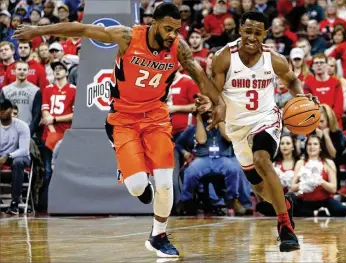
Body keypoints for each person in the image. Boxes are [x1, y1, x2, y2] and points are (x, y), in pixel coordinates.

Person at [13, 3, 225, 258]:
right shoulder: (127, 36)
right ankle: (130, 166)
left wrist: (219, 102)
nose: (172, 34)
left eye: (176, 29)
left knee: (165, 183)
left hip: (157, 116)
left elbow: (200, 76)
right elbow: (82, 29)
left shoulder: (179, 47)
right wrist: (38, 30)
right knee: (137, 188)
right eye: (168, 29)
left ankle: (158, 235)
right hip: (123, 117)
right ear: (154, 24)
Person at [196, 11, 318, 252]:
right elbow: (215, 91)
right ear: (240, 30)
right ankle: (284, 205)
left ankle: (285, 227)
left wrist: (302, 97)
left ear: (265, 34)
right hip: (236, 127)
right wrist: (212, 105)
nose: (252, 37)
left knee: (263, 160)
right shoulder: (224, 57)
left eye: (257, 33)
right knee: (259, 188)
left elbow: (292, 81)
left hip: (266, 119)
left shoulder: (273, 59)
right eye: (247, 31)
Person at [291, 134, 346, 217]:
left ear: (320, 148)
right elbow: (292, 187)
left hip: (324, 200)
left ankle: (319, 211)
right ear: (306, 147)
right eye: (309, 144)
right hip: (305, 201)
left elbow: (333, 188)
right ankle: (316, 213)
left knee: (342, 210)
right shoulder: (300, 163)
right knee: (289, 208)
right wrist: (304, 184)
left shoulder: (328, 163)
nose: (312, 147)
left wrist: (320, 181)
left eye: (315, 144)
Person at [0, 99, 31, 215]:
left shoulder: (22, 126)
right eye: (0, 109)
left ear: (11, 110)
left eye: (5, 109)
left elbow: (24, 149)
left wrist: (8, 156)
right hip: (2, 156)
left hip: (19, 156)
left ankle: (15, 202)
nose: (3, 112)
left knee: (18, 162)